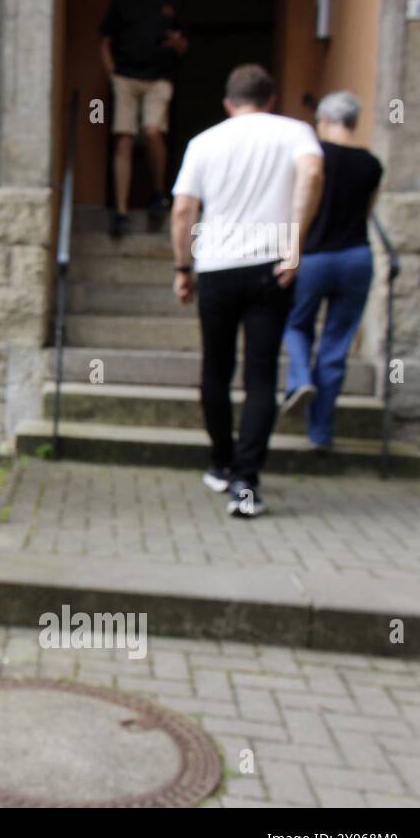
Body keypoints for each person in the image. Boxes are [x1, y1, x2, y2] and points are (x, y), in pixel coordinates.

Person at [170, 64, 323, 518]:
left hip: (216, 267)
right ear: (271, 98)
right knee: (260, 376)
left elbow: (183, 210)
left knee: (215, 369)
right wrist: (293, 247)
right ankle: (246, 481)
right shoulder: (296, 132)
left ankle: (220, 461)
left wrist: (183, 267)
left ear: (228, 102)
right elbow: (312, 176)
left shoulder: (205, 141)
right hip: (270, 268)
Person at [280, 91, 384, 452]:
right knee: (337, 344)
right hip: (356, 257)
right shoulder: (371, 163)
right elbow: (368, 211)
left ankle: (300, 378)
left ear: (323, 118)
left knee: (295, 324)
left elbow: (299, 204)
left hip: (315, 256)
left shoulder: (313, 158)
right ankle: (321, 433)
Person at [100, 0, 188, 238]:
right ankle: (122, 211)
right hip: (125, 77)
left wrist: (177, 44)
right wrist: (112, 72)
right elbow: (104, 40)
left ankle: (158, 192)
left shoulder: (171, 0)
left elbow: (184, 44)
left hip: (158, 78)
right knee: (123, 139)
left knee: (152, 131)